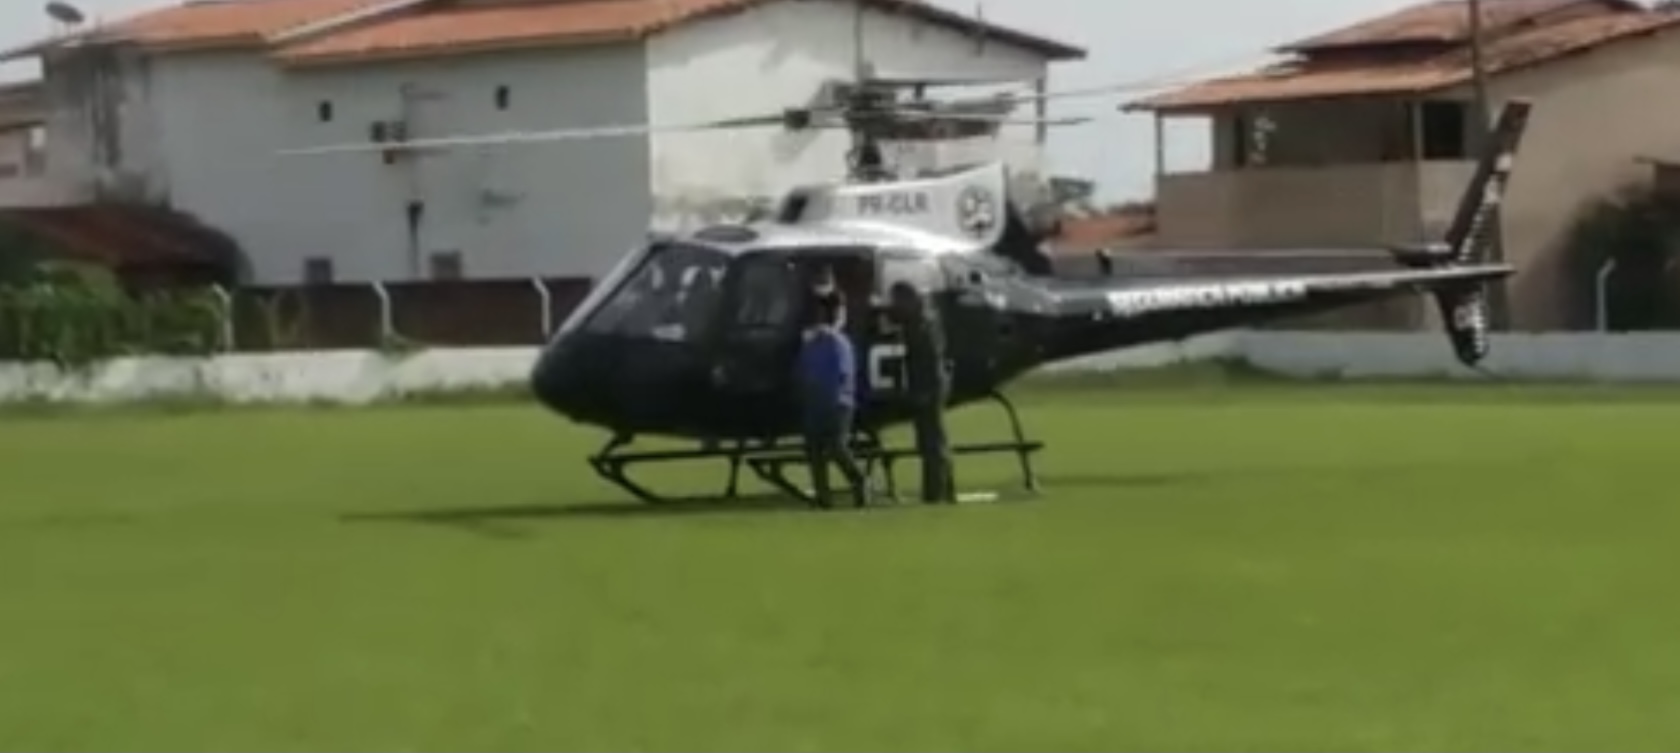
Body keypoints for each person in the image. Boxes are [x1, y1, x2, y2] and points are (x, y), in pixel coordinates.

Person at [796, 294, 870, 508]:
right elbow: (803, 371)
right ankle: (823, 495)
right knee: (814, 449)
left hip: (837, 403)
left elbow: (840, 375)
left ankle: (858, 480)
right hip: (818, 402)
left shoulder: (836, 343)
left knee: (836, 446)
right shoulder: (815, 342)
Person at [889, 282, 955, 504]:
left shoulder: (921, 325)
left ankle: (935, 492)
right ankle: (943, 489)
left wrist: (924, 390)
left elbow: (929, 359)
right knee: (933, 440)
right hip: (931, 386)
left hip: (928, 388)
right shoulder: (925, 320)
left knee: (931, 442)